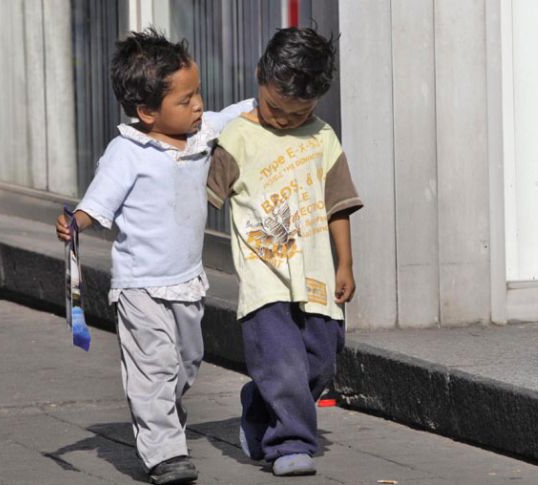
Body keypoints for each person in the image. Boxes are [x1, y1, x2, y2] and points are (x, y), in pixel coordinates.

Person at [56, 28, 253, 485]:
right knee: (154, 366)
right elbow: (96, 202)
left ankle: (162, 410)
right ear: (146, 112)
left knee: (186, 361)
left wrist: (272, 101)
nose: (198, 105)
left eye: (197, 93)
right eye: (185, 100)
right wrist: (76, 223)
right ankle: (164, 453)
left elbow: (237, 114)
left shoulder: (201, 132)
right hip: (140, 285)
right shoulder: (127, 153)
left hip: (187, 279)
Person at [206, 27, 363, 477]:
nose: (283, 120)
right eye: (275, 108)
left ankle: (259, 404)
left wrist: (345, 263)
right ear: (260, 77)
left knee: (321, 360)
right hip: (264, 279)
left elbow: (339, 205)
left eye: (299, 113)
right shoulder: (238, 138)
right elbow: (199, 195)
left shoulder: (322, 138)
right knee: (283, 361)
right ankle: (290, 444)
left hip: (316, 276)